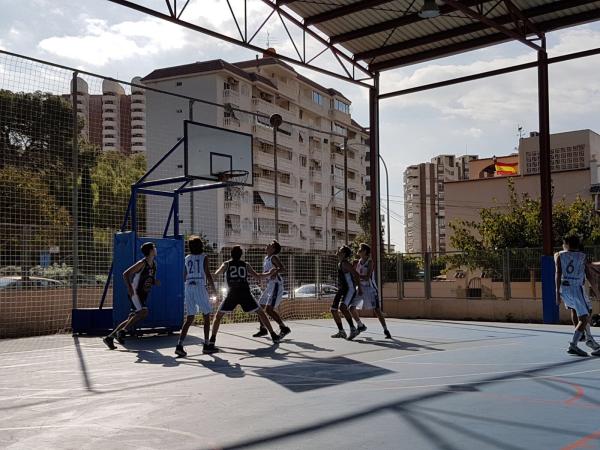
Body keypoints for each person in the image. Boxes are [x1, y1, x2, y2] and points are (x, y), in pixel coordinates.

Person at [206, 246, 281, 353]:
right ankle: (273, 335)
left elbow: (216, 274)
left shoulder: (226, 264)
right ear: (241, 255)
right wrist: (270, 273)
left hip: (232, 293)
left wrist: (206, 275)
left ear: (231, 254)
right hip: (245, 293)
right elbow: (258, 276)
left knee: (218, 316)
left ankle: (212, 340)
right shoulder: (245, 265)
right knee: (261, 312)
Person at [103, 242, 160, 350]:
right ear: (151, 251)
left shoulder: (154, 264)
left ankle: (109, 338)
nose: (156, 249)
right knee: (143, 312)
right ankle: (122, 331)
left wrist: (154, 282)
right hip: (135, 292)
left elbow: (149, 279)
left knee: (131, 317)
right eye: (154, 248)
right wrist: (129, 287)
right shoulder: (142, 263)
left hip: (143, 294)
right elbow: (126, 273)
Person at [555, 234, 600, 357]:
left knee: (576, 310)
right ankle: (576, 343)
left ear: (567, 244)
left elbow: (557, 274)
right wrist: (596, 292)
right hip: (576, 287)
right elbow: (590, 276)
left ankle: (583, 336)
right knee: (585, 316)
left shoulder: (559, 255)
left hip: (564, 289)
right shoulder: (582, 257)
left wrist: (557, 293)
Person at [175, 236, 216, 357]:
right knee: (206, 316)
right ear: (201, 246)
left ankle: (179, 345)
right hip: (199, 284)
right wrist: (213, 289)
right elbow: (207, 274)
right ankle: (207, 344)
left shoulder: (187, 258)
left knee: (189, 318)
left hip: (188, 285)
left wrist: (184, 289)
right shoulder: (204, 257)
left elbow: (184, 275)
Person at [351, 243, 392, 339]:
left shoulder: (370, 262)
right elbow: (355, 277)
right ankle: (360, 325)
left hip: (370, 289)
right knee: (351, 307)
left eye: (360, 249)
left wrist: (356, 276)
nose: (358, 250)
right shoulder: (357, 262)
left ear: (365, 251)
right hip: (360, 288)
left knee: (377, 311)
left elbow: (366, 277)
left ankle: (386, 329)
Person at [254, 240, 291, 339]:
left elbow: (283, 269)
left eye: (270, 245)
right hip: (269, 285)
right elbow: (267, 273)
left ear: (273, 249)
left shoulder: (273, 258)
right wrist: (263, 280)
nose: (267, 245)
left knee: (269, 310)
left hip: (276, 285)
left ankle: (284, 328)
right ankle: (263, 329)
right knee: (259, 307)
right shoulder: (266, 258)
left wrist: (275, 272)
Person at [330, 245, 362, 340]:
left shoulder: (345, 263)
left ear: (343, 254)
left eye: (340, 250)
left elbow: (356, 274)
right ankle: (341, 331)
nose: (338, 250)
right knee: (333, 309)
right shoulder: (340, 263)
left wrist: (359, 287)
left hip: (349, 289)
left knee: (343, 307)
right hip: (342, 289)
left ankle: (353, 329)